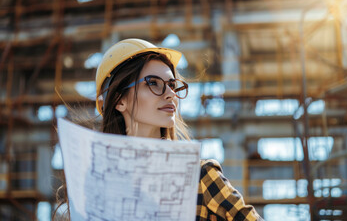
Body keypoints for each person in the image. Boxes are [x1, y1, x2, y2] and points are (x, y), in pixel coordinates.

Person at [55, 38, 264, 221]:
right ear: (119, 101)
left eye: (173, 85)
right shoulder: (94, 188)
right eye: (153, 83)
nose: (170, 94)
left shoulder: (199, 177)